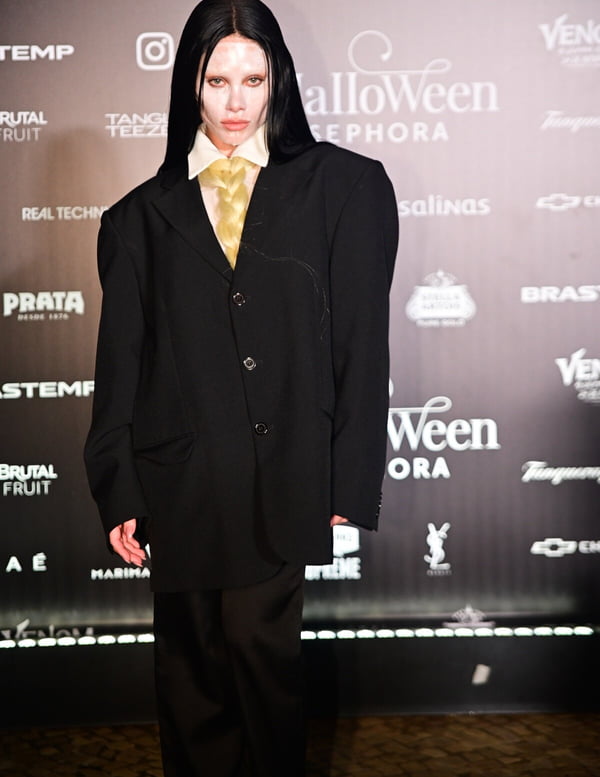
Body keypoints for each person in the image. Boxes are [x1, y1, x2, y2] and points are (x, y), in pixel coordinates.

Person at [84, 0, 398, 775]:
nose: (234, 102)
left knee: (264, 666)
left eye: (252, 79)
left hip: (284, 476)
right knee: (192, 683)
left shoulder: (346, 187)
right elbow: (121, 366)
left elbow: (362, 347)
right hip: (179, 480)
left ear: (277, 80)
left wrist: (349, 478)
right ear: (188, 84)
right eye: (215, 80)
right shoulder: (135, 219)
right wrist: (118, 485)